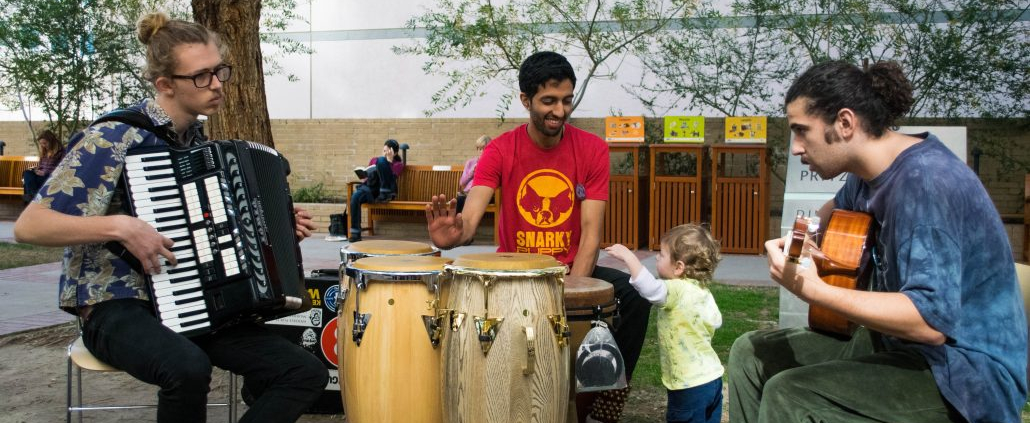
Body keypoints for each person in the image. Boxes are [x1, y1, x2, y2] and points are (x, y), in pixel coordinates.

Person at [13, 13, 326, 423]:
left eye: (219, 71)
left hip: (189, 298)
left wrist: (277, 233)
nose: (216, 84)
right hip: (114, 305)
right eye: (201, 76)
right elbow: (30, 226)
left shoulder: (196, 143)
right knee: (187, 367)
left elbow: (218, 233)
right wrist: (120, 225)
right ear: (165, 85)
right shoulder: (113, 137)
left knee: (302, 371)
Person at [727, 60, 1027, 423]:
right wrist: (793, 241)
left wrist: (815, 290)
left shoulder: (926, 183)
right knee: (752, 352)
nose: (795, 148)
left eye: (801, 131)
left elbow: (930, 324)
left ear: (845, 123)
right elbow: (826, 214)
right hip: (898, 345)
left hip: (964, 375)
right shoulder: (868, 176)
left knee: (793, 394)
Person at [425, 51, 651, 423]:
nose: (560, 111)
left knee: (636, 296)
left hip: (569, 270)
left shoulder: (592, 149)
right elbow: (467, 221)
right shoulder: (500, 149)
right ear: (526, 100)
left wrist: (573, 291)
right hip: (515, 274)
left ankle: (607, 399)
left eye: (567, 100)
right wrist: (451, 236)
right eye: (549, 101)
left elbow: (591, 234)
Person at [604, 224, 723, 423]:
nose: (657, 257)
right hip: (712, 378)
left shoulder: (676, 289)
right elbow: (716, 321)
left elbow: (649, 289)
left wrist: (629, 257)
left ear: (678, 267)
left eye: (661, 254)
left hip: (688, 385)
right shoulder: (702, 291)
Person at [347, 138, 404, 242]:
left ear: (394, 153)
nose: (385, 153)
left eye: (388, 151)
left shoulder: (398, 164)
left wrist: (389, 161)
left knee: (382, 161)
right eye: (384, 150)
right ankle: (355, 233)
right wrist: (364, 176)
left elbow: (392, 178)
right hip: (370, 189)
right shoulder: (375, 160)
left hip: (385, 190)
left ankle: (384, 193)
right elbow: (368, 176)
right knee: (355, 197)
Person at [21, 129, 65, 204]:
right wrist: (36, 170)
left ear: (51, 142)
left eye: (44, 143)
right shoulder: (44, 152)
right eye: (41, 144)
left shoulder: (61, 152)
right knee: (27, 173)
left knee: (29, 182)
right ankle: (34, 196)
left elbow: (63, 168)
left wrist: (45, 173)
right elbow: (41, 166)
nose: (43, 146)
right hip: (41, 176)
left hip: (50, 177)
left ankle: (31, 198)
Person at [455, 134, 490, 213]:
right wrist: (472, 172)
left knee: (463, 199)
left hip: (483, 194)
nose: (482, 152)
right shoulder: (470, 163)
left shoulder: (492, 164)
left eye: (485, 149)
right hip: (467, 193)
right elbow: (462, 182)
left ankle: (464, 223)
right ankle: (458, 223)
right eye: (480, 149)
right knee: (461, 199)